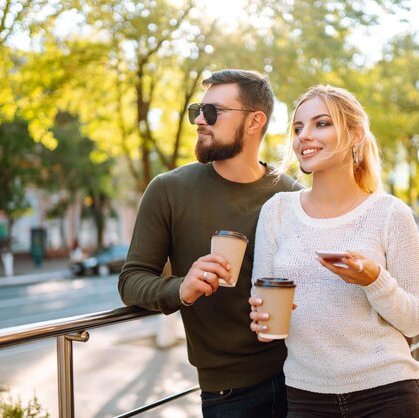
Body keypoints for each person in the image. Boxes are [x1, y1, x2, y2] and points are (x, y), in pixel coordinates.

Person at [118, 69, 301, 417]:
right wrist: (180, 288)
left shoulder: (292, 195)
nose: (200, 120)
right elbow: (131, 281)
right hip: (229, 394)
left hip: (305, 380)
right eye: (197, 111)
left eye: (213, 111)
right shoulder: (168, 190)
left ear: (254, 122)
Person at [249, 85, 419, 417]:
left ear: (355, 134)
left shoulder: (391, 214)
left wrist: (374, 279)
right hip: (306, 397)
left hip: (388, 393)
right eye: (298, 128)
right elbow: (264, 305)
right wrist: (262, 320)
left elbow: (416, 320)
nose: (304, 135)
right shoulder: (276, 211)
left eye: (321, 123)